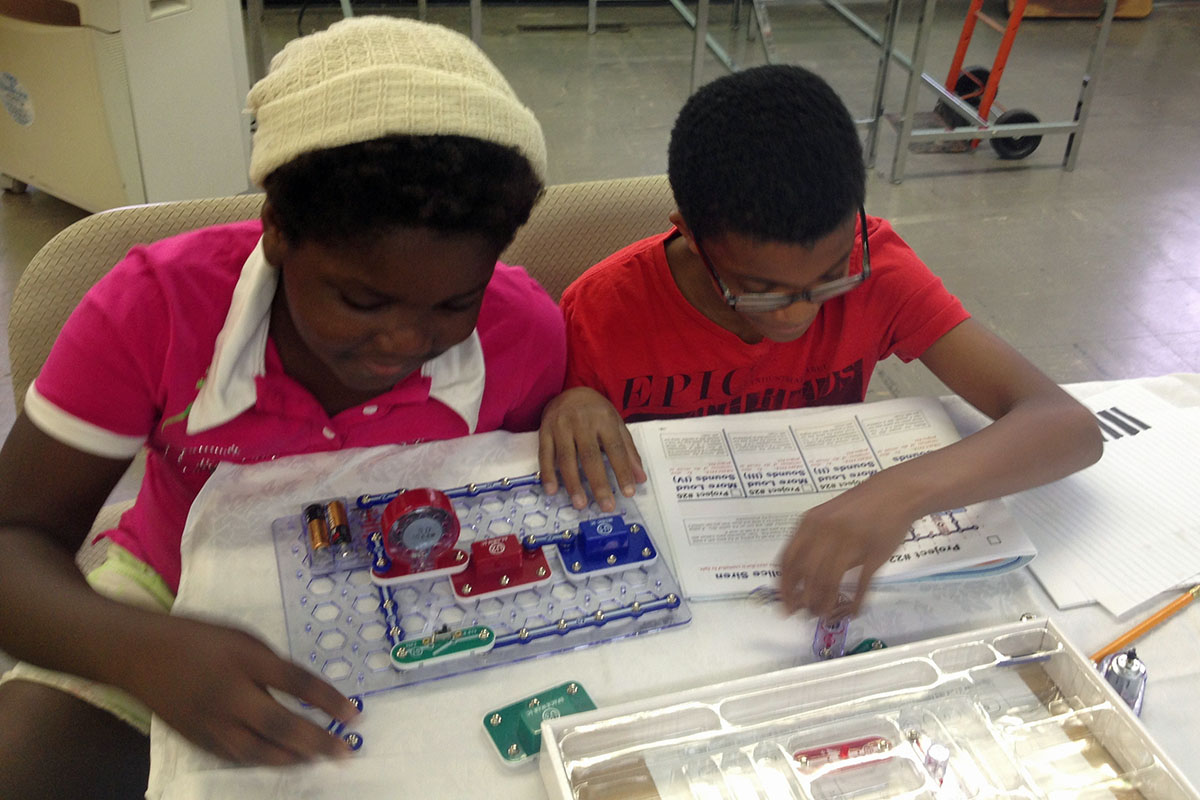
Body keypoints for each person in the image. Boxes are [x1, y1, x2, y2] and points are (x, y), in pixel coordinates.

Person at [0, 17, 564, 798]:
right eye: (361, 299)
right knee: (27, 757)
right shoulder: (154, 312)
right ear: (274, 235)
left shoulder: (521, 330)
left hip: (422, 588)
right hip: (173, 595)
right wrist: (136, 648)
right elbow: (15, 537)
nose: (402, 341)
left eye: (453, 302)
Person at [538, 64, 1102, 622]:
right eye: (760, 290)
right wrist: (571, 402)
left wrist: (904, 491)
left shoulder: (876, 267)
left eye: (831, 275)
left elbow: (1066, 425)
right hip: (672, 592)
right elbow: (534, 470)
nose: (800, 311)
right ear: (688, 231)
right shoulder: (603, 313)